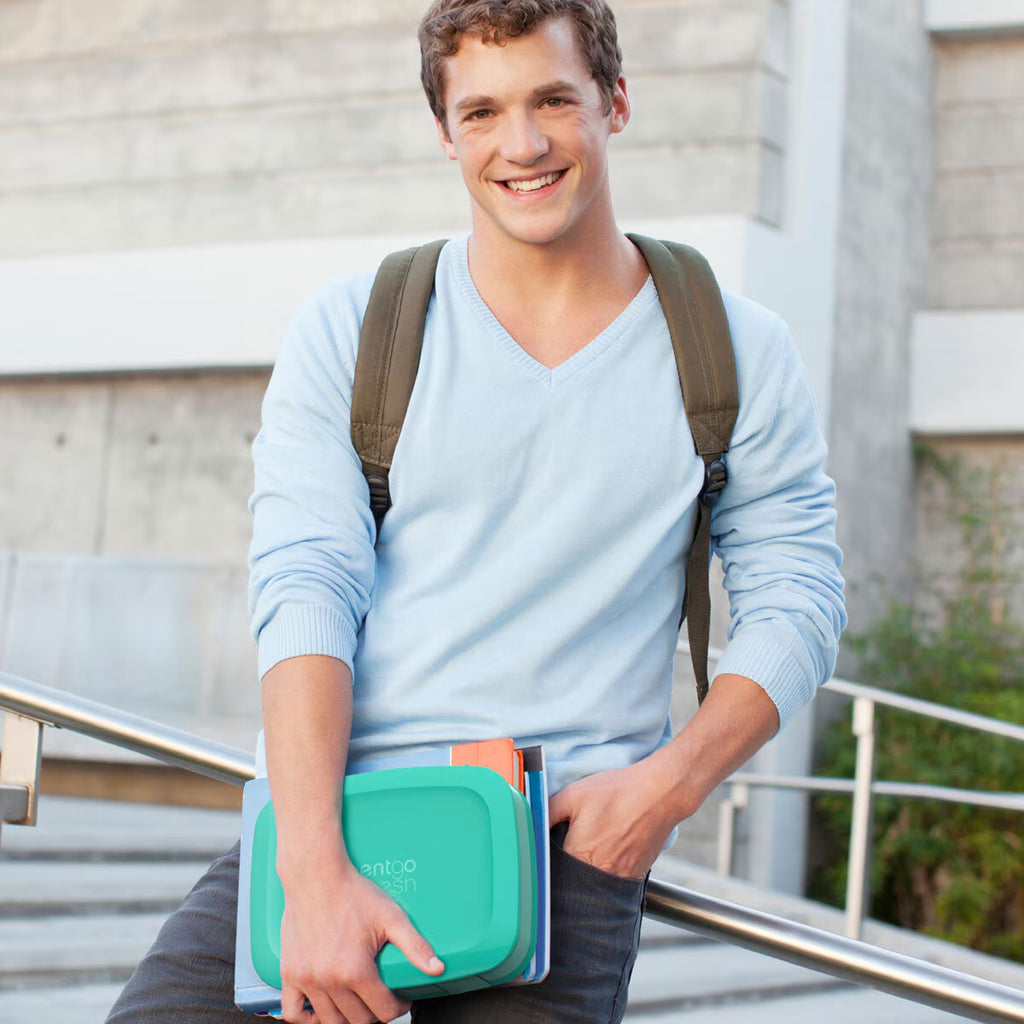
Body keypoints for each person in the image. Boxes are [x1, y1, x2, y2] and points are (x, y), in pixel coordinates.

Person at [106, 1, 845, 1022]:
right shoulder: (354, 329)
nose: (524, 144)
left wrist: (667, 787)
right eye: (484, 111)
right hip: (346, 817)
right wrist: (313, 870)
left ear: (614, 103)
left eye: (553, 100)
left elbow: (798, 595)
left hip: (564, 847)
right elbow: (307, 583)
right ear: (445, 133)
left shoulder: (732, 347)